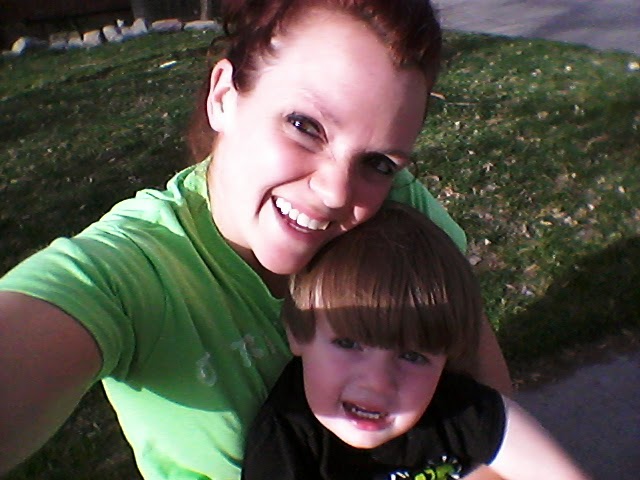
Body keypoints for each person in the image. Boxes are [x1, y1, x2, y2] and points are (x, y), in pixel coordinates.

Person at [0, 0, 511, 478]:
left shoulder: (398, 209)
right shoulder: (135, 274)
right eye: (304, 125)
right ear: (224, 96)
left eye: (378, 162)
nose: (336, 192)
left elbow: (489, 421)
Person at [243, 202, 590, 480]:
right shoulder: (285, 439)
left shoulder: (458, 408)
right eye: (348, 344)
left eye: (413, 356)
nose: (378, 382)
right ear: (297, 332)